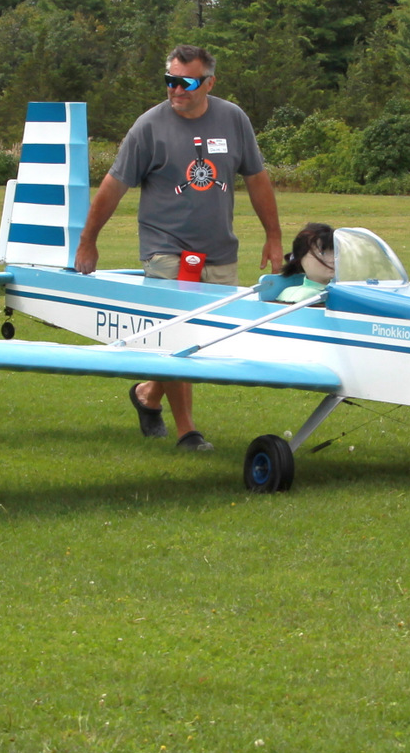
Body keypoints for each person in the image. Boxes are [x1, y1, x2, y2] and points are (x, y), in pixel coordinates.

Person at [74, 44, 282, 451]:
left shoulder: (233, 119)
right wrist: (88, 241)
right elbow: (114, 186)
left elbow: (256, 178)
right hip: (165, 248)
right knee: (176, 337)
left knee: (210, 340)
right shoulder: (148, 127)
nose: (176, 90)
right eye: (170, 81)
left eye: (185, 82)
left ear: (208, 82)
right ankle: (188, 431)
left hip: (219, 250)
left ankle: (148, 394)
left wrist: (274, 237)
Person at [275, 223, 335, 303]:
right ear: (301, 258)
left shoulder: (344, 289)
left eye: (335, 252)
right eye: (322, 253)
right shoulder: (302, 295)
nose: (332, 259)